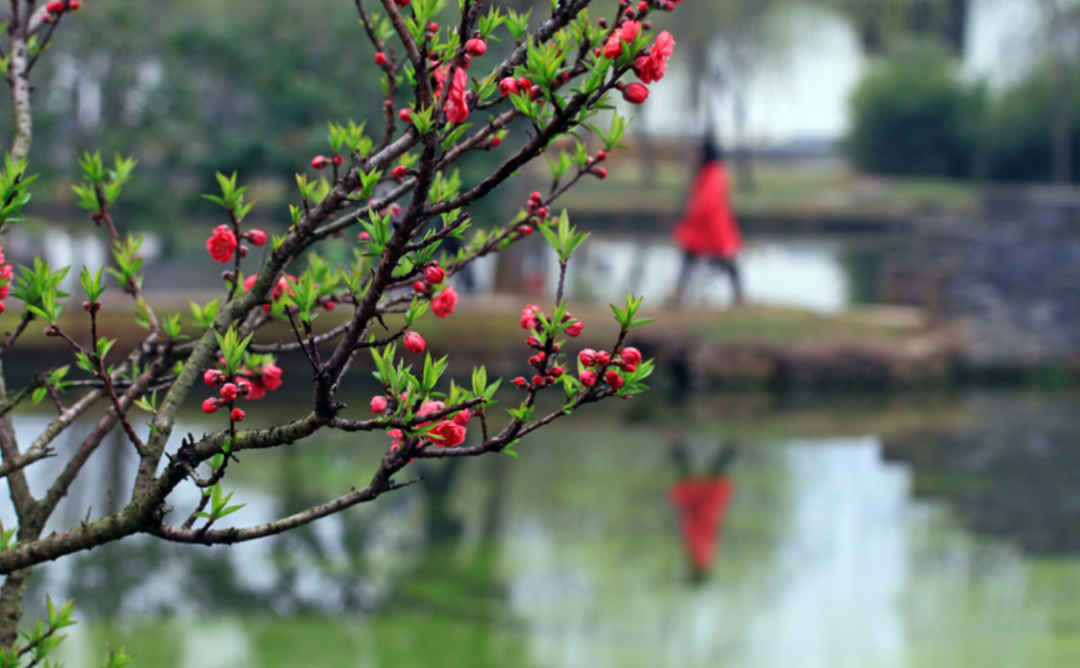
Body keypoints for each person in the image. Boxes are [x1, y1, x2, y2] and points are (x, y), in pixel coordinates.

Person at [672, 136, 744, 305]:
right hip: (708, 226)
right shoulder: (711, 171)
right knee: (691, 258)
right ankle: (679, 294)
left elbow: (707, 201)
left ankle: (738, 296)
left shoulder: (713, 173)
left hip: (712, 226)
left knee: (726, 260)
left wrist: (691, 218)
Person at [668, 440, 738, 584]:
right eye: (690, 575)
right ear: (696, 573)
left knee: (704, 476)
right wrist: (689, 514)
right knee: (697, 479)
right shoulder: (701, 558)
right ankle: (677, 446)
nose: (686, 572)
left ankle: (730, 447)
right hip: (701, 511)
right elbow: (701, 533)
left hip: (702, 512)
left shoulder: (701, 560)